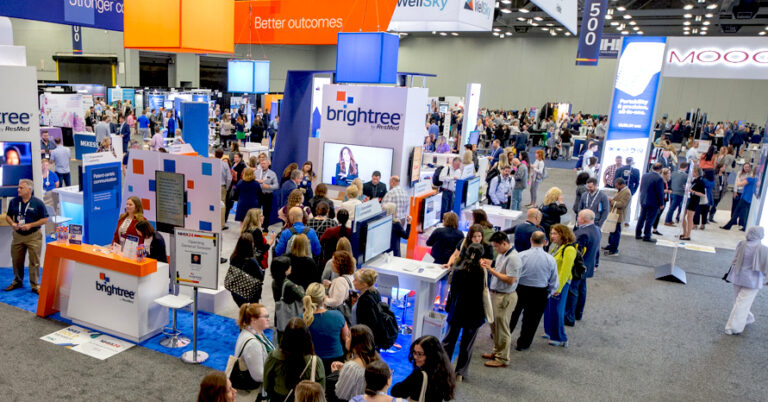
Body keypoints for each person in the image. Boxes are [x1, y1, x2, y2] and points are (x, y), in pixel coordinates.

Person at [441, 243, 487, 381]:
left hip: (457, 311)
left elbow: (452, 292)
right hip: (474, 313)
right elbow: (483, 293)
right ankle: (460, 372)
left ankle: (444, 369)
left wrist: (449, 308)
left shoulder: (458, 270)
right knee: (467, 344)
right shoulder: (481, 272)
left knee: (449, 341)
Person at [508, 231, 558, 351]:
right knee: (532, 320)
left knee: (512, 315)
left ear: (531, 240)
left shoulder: (521, 255)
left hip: (520, 289)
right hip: (540, 292)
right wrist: (548, 293)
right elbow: (554, 281)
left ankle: (504, 338)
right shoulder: (550, 259)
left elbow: (515, 275)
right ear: (545, 242)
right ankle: (523, 344)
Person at [481, 231, 521, 368]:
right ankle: (497, 351)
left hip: (505, 296)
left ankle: (502, 358)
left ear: (505, 243)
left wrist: (491, 270)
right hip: (495, 294)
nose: (495, 249)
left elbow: (510, 279)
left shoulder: (513, 258)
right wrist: (488, 264)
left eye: (497, 246)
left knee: (502, 328)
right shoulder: (503, 254)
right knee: (494, 326)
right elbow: (499, 269)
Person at [264, 318, 326, 402]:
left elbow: (267, 386)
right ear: (307, 337)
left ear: (284, 336)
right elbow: (321, 390)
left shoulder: (274, 357)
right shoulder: (315, 361)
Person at [4, 179, 49, 294]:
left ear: (29, 189)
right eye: (18, 187)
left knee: (34, 261)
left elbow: (45, 219)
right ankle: (17, 281)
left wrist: (30, 225)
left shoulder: (38, 203)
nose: (18, 189)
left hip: (33, 236)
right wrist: (13, 224)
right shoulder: (14, 201)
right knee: (16, 260)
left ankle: (35, 285)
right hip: (18, 236)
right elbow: (8, 216)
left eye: (21, 188)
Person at [724, 227, 768, 335]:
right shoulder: (763, 249)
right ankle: (733, 327)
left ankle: (747, 318)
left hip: (738, 276)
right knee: (742, 303)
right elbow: (766, 266)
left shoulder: (741, 244)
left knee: (738, 302)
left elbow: (734, 260)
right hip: (753, 280)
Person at [303, 282, 351, 374]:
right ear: (324, 298)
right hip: (335, 362)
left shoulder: (302, 319)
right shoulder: (337, 316)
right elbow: (346, 338)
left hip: (311, 363)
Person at [391, 336, 455, 402]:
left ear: (430, 355)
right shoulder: (444, 371)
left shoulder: (419, 375)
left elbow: (396, 392)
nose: (415, 357)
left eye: (420, 354)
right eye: (414, 352)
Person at [565, 210, 601, 327]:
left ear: (584, 219)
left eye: (579, 216)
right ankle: (578, 313)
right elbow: (597, 250)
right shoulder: (596, 229)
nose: (577, 218)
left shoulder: (582, 233)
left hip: (578, 268)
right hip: (588, 265)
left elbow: (575, 253)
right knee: (582, 290)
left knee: (573, 291)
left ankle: (569, 317)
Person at [233, 303, 274, 398]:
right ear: (254, 320)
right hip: (256, 393)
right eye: (265, 316)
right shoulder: (253, 345)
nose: (268, 319)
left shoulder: (255, 332)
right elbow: (259, 376)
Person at [544, 225, 575, 346]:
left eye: (555, 233)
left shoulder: (569, 250)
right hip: (552, 282)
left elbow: (565, 272)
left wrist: (558, 287)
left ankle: (560, 337)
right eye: (551, 233)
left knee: (557, 310)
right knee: (549, 308)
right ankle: (549, 331)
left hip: (560, 284)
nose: (552, 236)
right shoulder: (557, 247)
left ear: (562, 234)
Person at [332, 325, 382, 401]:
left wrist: (336, 374)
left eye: (349, 336)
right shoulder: (377, 360)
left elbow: (340, 394)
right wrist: (344, 369)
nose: (346, 338)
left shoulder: (351, 367)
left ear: (357, 344)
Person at [229, 233, 266, 306]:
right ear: (250, 245)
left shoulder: (233, 257)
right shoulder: (251, 261)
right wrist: (262, 270)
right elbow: (260, 277)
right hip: (250, 293)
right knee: (252, 314)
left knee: (244, 311)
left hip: (237, 292)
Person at [635, 163, 665, 243]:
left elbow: (641, 187)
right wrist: (662, 203)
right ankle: (647, 235)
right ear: (660, 169)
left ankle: (638, 233)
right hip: (653, 201)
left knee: (642, 217)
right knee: (650, 219)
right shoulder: (659, 178)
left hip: (644, 199)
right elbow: (660, 192)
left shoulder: (645, 175)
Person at [604, 178, 631, 256]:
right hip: (614, 214)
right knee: (612, 230)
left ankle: (614, 249)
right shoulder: (621, 191)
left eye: (616, 185)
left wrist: (611, 201)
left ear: (621, 184)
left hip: (618, 215)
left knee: (616, 232)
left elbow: (622, 204)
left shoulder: (626, 192)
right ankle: (611, 245)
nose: (615, 187)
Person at [255, 158, 279, 230]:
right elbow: (252, 181)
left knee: (266, 212)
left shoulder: (272, 174)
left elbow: (276, 186)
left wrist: (269, 186)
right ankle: (256, 226)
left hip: (267, 195)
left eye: (264, 163)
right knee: (256, 211)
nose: (263, 165)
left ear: (268, 164)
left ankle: (265, 227)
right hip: (258, 195)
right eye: (261, 164)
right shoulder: (256, 172)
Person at [665, 161, 689, 226]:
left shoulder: (673, 173)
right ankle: (667, 221)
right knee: (673, 208)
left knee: (671, 207)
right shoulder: (686, 176)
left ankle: (669, 219)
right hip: (679, 193)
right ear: (686, 167)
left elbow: (669, 181)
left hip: (672, 192)